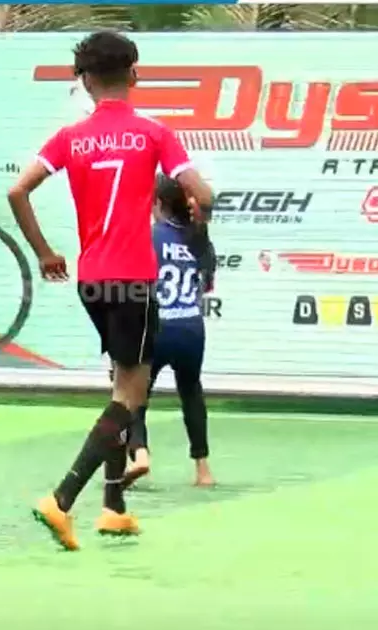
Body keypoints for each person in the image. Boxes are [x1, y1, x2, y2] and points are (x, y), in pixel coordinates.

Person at [5, 30, 213, 551]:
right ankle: (62, 499)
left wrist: (45, 253)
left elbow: (17, 190)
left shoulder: (69, 138)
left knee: (120, 381)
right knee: (130, 395)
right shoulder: (154, 133)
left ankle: (114, 508)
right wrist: (200, 206)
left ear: (85, 81)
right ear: (134, 75)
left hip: (92, 278)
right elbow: (202, 193)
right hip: (133, 279)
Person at [124, 174, 217, 488]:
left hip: (155, 327)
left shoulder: (147, 237)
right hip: (191, 328)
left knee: (132, 394)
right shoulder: (199, 239)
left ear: (158, 203)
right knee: (191, 392)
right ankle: (203, 470)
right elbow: (206, 286)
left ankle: (139, 454)